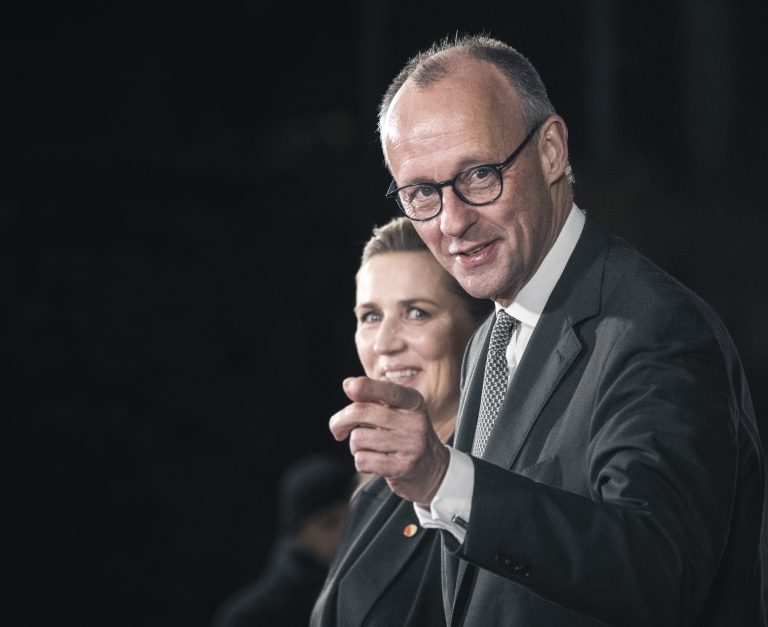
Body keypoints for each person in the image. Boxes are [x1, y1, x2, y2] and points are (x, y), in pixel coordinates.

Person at [329, 34, 766, 626]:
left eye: (479, 175)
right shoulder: (493, 336)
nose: (452, 222)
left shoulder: (655, 326)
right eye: (422, 193)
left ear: (552, 151)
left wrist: (441, 477)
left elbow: (658, 572)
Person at [311, 217, 492, 626]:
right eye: (370, 317)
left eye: (416, 313)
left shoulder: (503, 493)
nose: (385, 343)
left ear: (479, 329)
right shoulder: (371, 494)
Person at [212, 454, 355, 627]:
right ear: (299, 534)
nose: (345, 530)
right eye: (329, 523)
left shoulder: (361, 588)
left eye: (353, 517)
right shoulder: (252, 617)